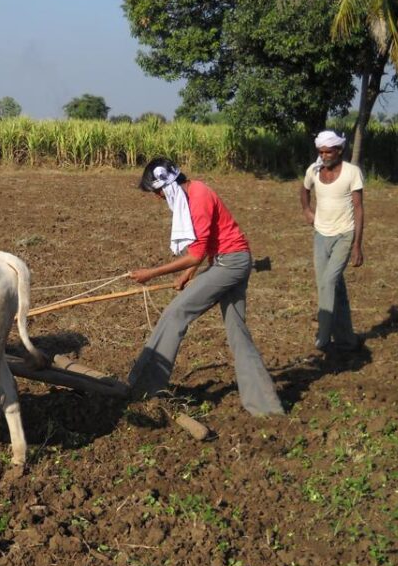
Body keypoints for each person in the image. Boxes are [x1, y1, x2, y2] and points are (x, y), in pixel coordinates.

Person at [126, 158, 284, 416]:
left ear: (165, 187)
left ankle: (143, 387)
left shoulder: (198, 199)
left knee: (176, 313)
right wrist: (187, 276)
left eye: (156, 193)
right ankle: (266, 406)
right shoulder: (194, 192)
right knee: (238, 334)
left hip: (229, 265)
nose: (157, 199)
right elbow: (204, 245)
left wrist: (151, 273)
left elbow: (195, 255)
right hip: (231, 260)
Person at [299, 130, 364, 352]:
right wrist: (307, 210)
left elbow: (358, 208)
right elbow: (304, 189)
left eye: (328, 151)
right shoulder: (314, 171)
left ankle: (324, 337)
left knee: (327, 283)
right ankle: (347, 339)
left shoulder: (352, 173)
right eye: (321, 151)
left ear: (339, 150)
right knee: (334, 287)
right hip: (320, 235)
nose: (324, 155)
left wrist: (357, 245)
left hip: (344, 236)